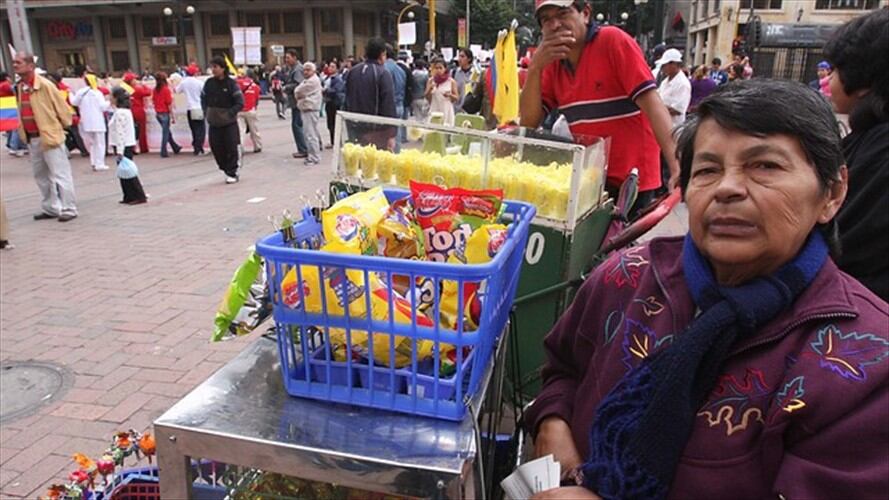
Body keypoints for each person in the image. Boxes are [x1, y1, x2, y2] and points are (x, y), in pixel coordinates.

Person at [527, 79, 887, 500]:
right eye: (708, 170)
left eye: (765, 166)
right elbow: (562, 370)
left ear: (833, 192)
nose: (727, 188)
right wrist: (551, 426)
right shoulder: (626, 277)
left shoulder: (866, 363)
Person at [521, 0, 682, 215]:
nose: (555, 25)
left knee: (621, 245)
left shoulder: (612, 41)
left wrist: (677, 166)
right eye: (546, 20)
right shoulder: (551, 62)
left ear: (585, 14)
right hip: (592, 179)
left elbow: (653, 105)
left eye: (563, 14)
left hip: (632, 179)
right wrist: (535, 68)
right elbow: (529, 123)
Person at [823, 8, 888, 302]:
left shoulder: (880, 149)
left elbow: (842, 239)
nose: (828, 81)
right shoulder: (870, 138)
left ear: (862, 83)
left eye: (834, 71)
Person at [12, 52, 78, 222]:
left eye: (18, 62)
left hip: (50, 136)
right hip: (31, 137)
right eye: (14, 62)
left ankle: (69, 208)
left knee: (60, 173)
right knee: (40, 175)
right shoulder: (19, 86)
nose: (15, 66)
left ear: (30, 66)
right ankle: (50, 207)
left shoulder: (45, 85)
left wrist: (61, 126)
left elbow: (63, 109)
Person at [344, 37, 397, 151]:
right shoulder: (383, 73)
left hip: (354, 127)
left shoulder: (352, 71)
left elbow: (346, 99)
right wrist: (392, 133)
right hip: (376, 130)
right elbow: (388, 104)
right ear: (382, 54)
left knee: (358, 164)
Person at [202, 57, 244, 184]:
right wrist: (206, 111)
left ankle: (233, 171)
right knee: (216, 148)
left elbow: (240, 103)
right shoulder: (209, 83)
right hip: (213, 123)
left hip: (228, 123)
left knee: (231, 147)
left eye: (216, 67)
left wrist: (229, 114)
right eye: (212, 67)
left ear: (223, 68)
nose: (213, 70)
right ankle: (225, 168)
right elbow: (203, 98)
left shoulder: (231, 84)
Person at [108, 87, 147, 205]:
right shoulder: (124, 111)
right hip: (124, 144)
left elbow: (120, 132)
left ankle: (138, 195)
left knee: (128, 170)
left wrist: (120, 150)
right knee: (123, 170)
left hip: (123, 145)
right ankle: (128, 195)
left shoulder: (120, 113)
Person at [70, 73, 110, 171]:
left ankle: (93, 162)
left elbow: (74, 102)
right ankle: (100, 163)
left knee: (92, 143)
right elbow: (102, 107)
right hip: (98, 121)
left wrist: (70, 94)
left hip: (86, 122)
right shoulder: (97, 93)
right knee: (100, 143)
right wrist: (109, 102)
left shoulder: (80, 92)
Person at [295, 62, 323, 166]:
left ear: (314, 70)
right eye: (304, 70)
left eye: (308, 70)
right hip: (307, 109)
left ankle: (314, 157)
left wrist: (301, 96)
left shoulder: (312, 81)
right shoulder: (307, 80)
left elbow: (298, 91)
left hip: (310, 109)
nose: (305, 72)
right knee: (310, 133)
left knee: (311, 134)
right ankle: (312, 155)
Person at [656, 48, 691, 130]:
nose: (663, 68)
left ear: (674, 64)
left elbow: (677, 110)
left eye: (665, 65)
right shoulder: (665, 82)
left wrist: (657, 108)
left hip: (674, 127)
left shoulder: (683, 84)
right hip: (662, 125)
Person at [282, 49, 308, 159]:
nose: (286, 60)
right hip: (295, 101)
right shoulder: (293, 69)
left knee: (297, 125)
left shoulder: (297, 70)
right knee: (303, 124)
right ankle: (312, 146)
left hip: (298, 101)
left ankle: (303, 149)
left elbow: (299, 84)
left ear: (295, 57)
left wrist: (286, 87)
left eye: (288, 57)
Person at [176, 63, 206, 155]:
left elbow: (177, 90)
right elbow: (205, 93)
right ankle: (199, 147)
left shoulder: (184, 82)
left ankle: (196, 147)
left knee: (193, 129)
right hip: (198, 107)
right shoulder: (199, 83)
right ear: (195, 73)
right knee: (201, 129)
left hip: (189, 108)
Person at [384, 45, 408, 151]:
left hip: (389, 106)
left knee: (387, 138)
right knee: (397, 137)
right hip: (400, 104)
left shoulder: (385, 68)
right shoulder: (401, 69)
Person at [152, 72, 181, 158]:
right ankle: (163, 150)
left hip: (158, 113)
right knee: (165, 133)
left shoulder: (155, 90)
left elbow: (154, 101)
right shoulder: (166, 90)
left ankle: (175, 147)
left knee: (167, 132)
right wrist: (172, 116)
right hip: (164, 113)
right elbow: (169, 104)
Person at [123, 72, 151, 154]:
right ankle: (143, 147)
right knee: (142, 130)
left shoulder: (124, 89)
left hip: (129, 110)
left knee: (130, 131)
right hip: (138, 110)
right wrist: (144, 85)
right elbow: (148, 92)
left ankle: (131, 148)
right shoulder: (137, 89)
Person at [426, 58, 458, 127]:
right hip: (434, 109)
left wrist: (450, 95)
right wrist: (429, 89)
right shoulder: (431, 80)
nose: (438, 70)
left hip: (446, 110)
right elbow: (427, 96)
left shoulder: (451, 81)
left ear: (445, 69)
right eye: (436, 68)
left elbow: (456, 97)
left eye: (440, 68)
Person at [237, 68, 262, 153]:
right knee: (254, 130)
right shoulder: (256, 86)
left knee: (240, 130)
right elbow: (256, 100)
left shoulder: (238, 83)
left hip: (239, 110)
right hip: (251, 110)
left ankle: (240, 148)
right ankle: (257, 146)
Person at [322, 61, 345, 148]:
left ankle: (336, 142)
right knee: (330, 123)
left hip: (335, 103)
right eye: (329, 66)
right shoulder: (327, 78)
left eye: (333, 67)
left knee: (335, 123)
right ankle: (333, 141)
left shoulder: (338, 79)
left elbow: (336, 90)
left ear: (337, 69)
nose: (330, 68)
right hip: (329, 102)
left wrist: (325, 91)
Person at [452, 47, 479, 113]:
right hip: (456, 109)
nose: (459, 59)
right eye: (459, 56)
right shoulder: (454, 72)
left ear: (469, 59)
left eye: (462, 56)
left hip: (470, 110)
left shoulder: (476, 73)